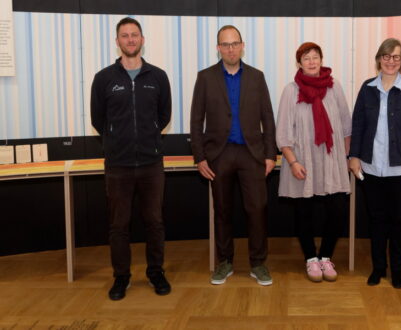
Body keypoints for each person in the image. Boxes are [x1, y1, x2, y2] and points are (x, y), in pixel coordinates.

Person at [90, 17, 172, 301]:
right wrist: (116, 141)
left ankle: (156, 272)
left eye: (134, 35)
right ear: (117, 42)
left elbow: (164, 117)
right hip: (118, 166)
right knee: (118, 226)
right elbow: (98, 120)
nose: (130, 40)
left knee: (154, 222)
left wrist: (146, 138)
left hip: (151, 164)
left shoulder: (158, 77)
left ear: (142, 39)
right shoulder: (103, 79)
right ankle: (121, 277)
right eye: (124, 36)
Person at [189, 25, 277, 286]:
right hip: (219, 153)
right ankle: (224, 262)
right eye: (225, 44)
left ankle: (258, 263)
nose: (230, 48)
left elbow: (268, 119)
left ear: (242, 45)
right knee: (223, 210)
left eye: (234, 43)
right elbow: (196, 120)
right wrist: (199, 157)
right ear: (218, 48)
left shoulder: (257, 77)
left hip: (252, 154)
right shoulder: (205, 78)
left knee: (257, 209)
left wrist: (270, 154)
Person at [348, 38, 401, 289]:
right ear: (379, 59)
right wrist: (353, 156)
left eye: (396, 57)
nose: (391, 61)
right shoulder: (367, 88)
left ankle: (397, 269)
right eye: (386, 56)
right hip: (371, 168)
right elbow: (358, 124)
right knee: (376, 220)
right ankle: (378, 268)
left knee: (400, 220)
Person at [276, 42, 351, 282]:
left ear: (321, 59)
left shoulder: (334, 86)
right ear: (299, 63)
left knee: (337, 211)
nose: (311, 61)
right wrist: (293, 161)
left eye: (315, 57)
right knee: (304, 212)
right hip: (303, 161)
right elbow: (283, 132)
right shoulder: (291, 90)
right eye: (306, 58)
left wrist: (345, 158)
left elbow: (346, 125)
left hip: (331, 161)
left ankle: (326, 256)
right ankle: (310, 258)